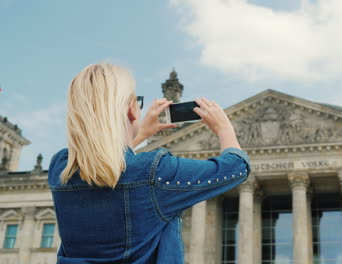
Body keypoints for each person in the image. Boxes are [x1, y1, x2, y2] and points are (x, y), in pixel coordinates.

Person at [48, 63, 251, 263]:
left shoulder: (60, 167)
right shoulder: (155, 172)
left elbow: (106, 165)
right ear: (131, 110)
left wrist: (141, 134)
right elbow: (237, 167)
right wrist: (225, 128)